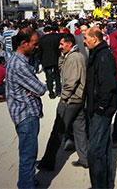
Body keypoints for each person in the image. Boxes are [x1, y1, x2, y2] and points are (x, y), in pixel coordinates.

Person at [37, 34, 89, 171]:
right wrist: (61, 56)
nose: (59, 46)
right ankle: (85, 159)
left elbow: (71, 81)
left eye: (62, 44)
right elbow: (61, 69)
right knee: (80, 131)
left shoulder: (74, 57)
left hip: (71, 100)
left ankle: (48, 162)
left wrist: (64, 97)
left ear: (69, 44)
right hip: (77, 100)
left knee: (57, 132)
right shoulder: (71, 56)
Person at [6, 28, 47, 189]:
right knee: (28, 156)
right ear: (24, 44)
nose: (36, 47)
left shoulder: (17, 60)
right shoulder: (19, 65)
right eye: (34, 44)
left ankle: (26, 181)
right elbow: (40, 89)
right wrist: (35, 90)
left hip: (24, 112)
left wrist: (33, 90)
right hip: (26, 115)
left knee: (27, 153)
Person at [84, 27, 117, 189]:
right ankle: (106, 184)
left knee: (95, 151)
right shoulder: (97, 54)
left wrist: (101, 107)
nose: (84, 41)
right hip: (97, 108)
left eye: (86, 38)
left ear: (95, 39)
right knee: (104, 149)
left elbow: (108, 85)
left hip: (101, 110)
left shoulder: (104, 56)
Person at [37, 25, 63, 98]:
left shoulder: (41, 39)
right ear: (50, 31)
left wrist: (40, 59)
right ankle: (58, 91)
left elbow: (40, 51)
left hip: (46, 60)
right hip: (56, 58)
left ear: (44, 32)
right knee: (57, 75)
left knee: (49, 77)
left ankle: (51, 92)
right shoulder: (56, 37)